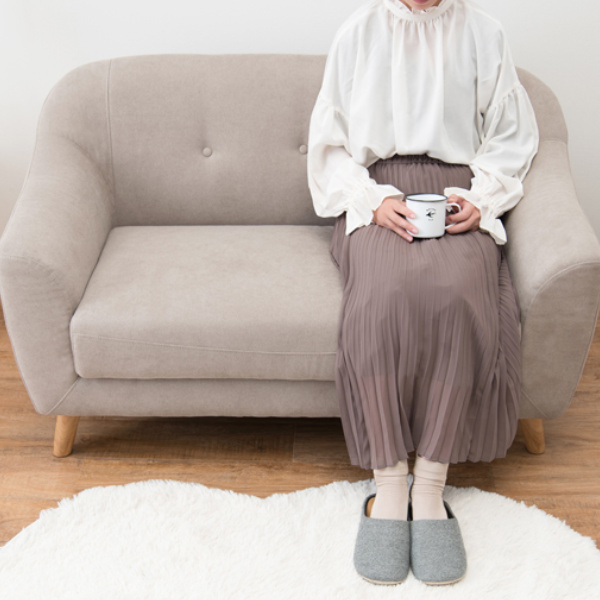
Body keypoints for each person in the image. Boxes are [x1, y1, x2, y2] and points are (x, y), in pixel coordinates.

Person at [306, 0, 539, 587]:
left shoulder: (484, 32)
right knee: (380, 301)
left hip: (457, 193)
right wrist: (371, 199)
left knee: (457, 296)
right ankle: (388, 484)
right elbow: (329, 144)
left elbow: (511, 134)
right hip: (375, 195)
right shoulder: (358, 32)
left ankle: (430, 485)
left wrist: (481, 199)